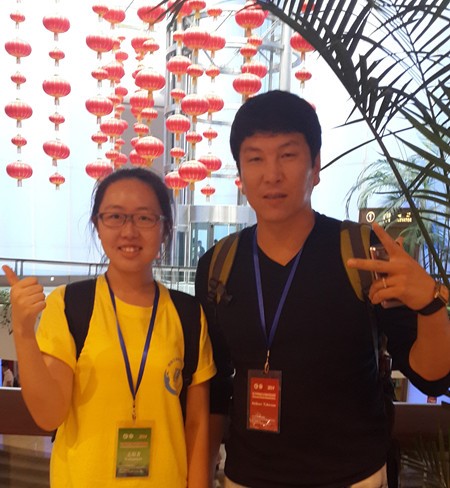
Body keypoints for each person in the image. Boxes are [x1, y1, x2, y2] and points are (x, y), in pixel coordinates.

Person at [195, 90, 450, 488]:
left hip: (353, 476)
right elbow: (214, 386)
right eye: (255, 158)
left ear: (315, 166)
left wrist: (431, 307)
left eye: (288, 154)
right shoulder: (218, 265)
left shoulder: (365, 254)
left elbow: (431, 377)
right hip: (247, 476)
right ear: (240, 175)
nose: (272, 174)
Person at [3, 167, 216, 487]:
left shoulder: (187, 314)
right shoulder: (70, 305)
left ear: (165, 228)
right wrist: (22, 331)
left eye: (144, 218)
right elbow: (49, 415)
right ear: (97, 226)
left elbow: (196, 425)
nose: (129, 231)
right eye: (115, 217)